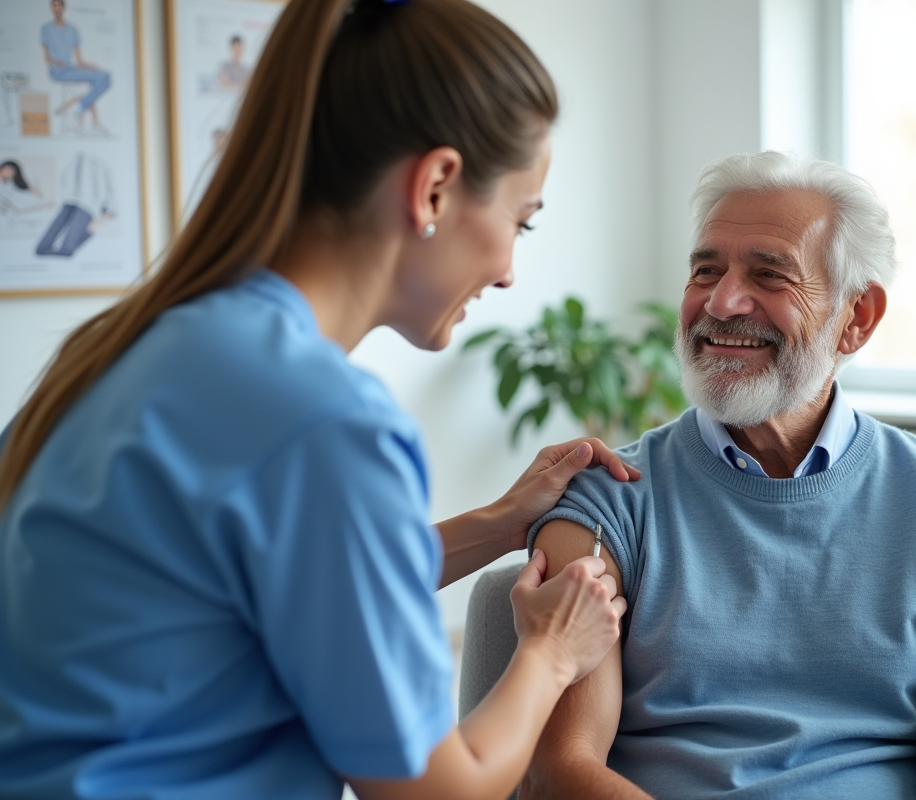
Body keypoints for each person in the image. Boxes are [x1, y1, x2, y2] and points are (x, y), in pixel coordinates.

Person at [0, 1, 632, 798]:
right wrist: (549, 653)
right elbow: (441, 791)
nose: (509, 270)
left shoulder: (127, 349)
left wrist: (496, 523)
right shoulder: (323, 420)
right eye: (521, 222)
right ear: (435, 187)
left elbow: (267, 583)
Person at [523, 152, 916, 800]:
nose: (723, 301)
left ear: (858, 318)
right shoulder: (607, 497)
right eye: (706, 270)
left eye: (769, 275)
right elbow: (562, 768)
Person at [41, 0, 111, 134]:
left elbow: (79, 61)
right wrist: (56, 62)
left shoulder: (72, 29)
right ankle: (89, 118)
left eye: (59, 6)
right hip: (57, 71)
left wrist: (93, 67)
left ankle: (78, 109)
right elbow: (46, 57)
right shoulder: (46, 28)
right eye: (54, 6)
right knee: (97, 83)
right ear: (51, 8)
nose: (56, 9)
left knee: (105, 76)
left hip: (71, 68)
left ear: (64, 8)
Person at [34, 151, 114, 257]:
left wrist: (103, 216)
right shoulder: (79, 160)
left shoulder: (97, 163)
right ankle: (63, 249)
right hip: (73, 200)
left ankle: (65, 249)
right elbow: (63, 177)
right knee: (46, 248)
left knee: (66, 247)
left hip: (85, 203)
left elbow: (109, 190)